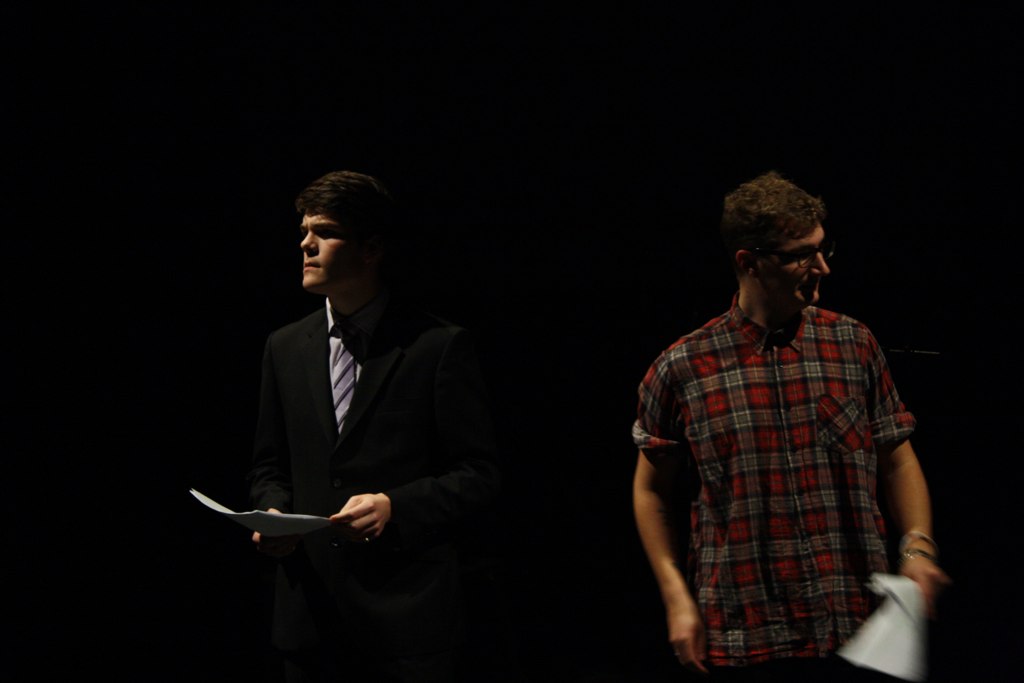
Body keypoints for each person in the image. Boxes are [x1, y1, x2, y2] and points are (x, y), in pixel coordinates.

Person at [631, 171, 951, 681]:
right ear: (749, 262)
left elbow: (897, 457)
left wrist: (917, 545)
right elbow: (651, 491)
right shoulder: (683, 367)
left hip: (853, 626)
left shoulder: (853, 344)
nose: (822, 266)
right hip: (745, 631)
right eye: (801, 254)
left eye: (824, 249)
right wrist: (676, 597)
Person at [246, 170, 501, 682]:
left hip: (406, 622)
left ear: (372, 248)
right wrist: (271, 512)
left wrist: (395, 505)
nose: (306, 243)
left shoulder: (436, 345)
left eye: (326, 231)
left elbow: (479, 474)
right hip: (309, 617)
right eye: (303, 231)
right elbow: (271, 464)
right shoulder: (285, 346)